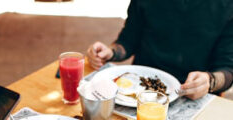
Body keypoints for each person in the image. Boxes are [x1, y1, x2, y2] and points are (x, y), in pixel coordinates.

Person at [87, 0, 233, 100]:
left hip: (191, 95)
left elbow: (228, 70)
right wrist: (111, 52)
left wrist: (210, 80)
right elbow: (128, 40)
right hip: (139, 88)